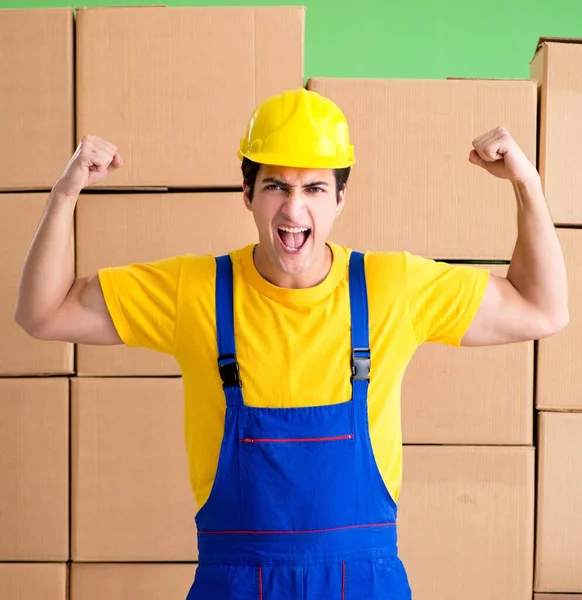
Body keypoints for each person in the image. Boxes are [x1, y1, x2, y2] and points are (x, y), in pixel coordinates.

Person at [15, 88, 568, 599]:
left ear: (340, 199)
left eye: (314, 188)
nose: (294, 208)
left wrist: (528, 185)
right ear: (247, 193)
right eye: (276, 185)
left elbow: (541, 308)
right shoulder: (195, 292)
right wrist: (65, 194)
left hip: (364, 583)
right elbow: (44, 312)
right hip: (234, 580)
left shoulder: (392, 288)